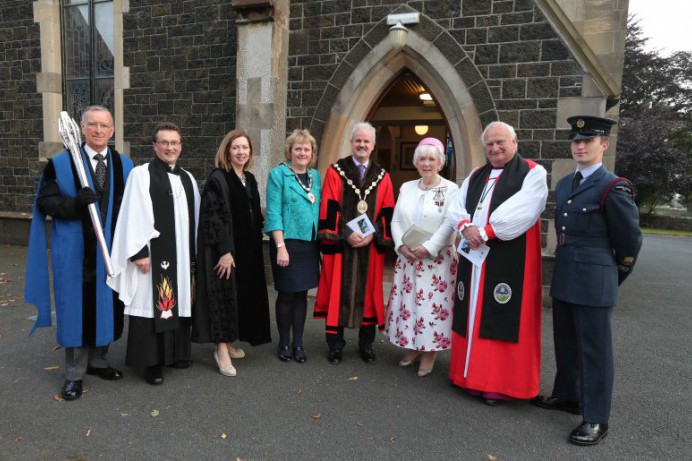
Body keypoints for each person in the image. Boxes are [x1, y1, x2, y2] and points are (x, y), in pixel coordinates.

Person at [533, 115, 642, 446]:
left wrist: (610, 277)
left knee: (595, 353)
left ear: (603, 145)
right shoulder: (567, 183)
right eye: (576, 141)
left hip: (595, 281)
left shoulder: (613, 187)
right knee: (566, 344)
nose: (580, 146)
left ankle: (596, 418)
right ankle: (568, 396)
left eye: (588, 140)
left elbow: (629, 243)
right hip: (566, 275)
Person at [25, 105, 134, 400]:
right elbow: (46, 202)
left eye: (104, 126)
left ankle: (98, 362)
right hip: (75, 250)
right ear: (82, 128)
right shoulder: (60, 164)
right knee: (76, 309)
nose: (98, 130)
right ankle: (74, 375)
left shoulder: (124, 165)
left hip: (111, 250)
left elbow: (133, 209)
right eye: (92, 124)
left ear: (112, 131)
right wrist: (74, 205)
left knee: (108, 306)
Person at [446, 121, 548, 405]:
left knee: (500, 312)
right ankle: (467, 376)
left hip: (507, 254)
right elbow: (456, 204)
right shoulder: (477, 174)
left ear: (515, 142)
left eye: (501, 142)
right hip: (474, 255)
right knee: (472, 310)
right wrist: (465, 225)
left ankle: (497, 383)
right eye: (489, 144)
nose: (494, 148)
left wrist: (487, 232)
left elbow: (526, 208)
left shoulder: (532, 172)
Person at [107, 122, 200, 385]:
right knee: (151, 306)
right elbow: (131, 214)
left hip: (180, 259)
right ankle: (151, 363)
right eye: (164, 142)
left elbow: (193, 220)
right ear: (154, 146)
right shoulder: (141, 174)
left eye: (175, 143)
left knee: (177, 302)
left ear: (180, 146)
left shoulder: (188, 179)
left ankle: (175, 355)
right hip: (152, 257)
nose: (170, 148)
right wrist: (138, 252)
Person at [192, 129, 272, 377]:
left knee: (239, 297)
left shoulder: (249, 178)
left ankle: (229, 342)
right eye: (235, 148)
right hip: (224, 250)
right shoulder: (219, 178)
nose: (240, 152)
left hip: (246, 249)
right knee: (223, 299)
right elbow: (213, 217)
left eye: (245, 148)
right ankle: (221, 351)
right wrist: (225, 251)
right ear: (227, 151)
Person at [315, 122, 395, 364]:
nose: (362, 145)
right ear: (351, 143)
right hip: (342, 246)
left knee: (369, 294)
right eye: (358, 141)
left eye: (366, 141)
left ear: (373, 146)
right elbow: (328, 206)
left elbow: (388, 211)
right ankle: (335, 345)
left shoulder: (383, 177)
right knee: (337, 291)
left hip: (370, 248)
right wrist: (346, 233)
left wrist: (374, 234)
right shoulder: (335, 171)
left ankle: (366, 344)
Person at [385, 137, 459, 377]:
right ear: (416, 162)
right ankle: (413, 347)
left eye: (431, 159)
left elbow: (450, 222)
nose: (426, 164)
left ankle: (430, 351)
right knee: (410, 305)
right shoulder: (406, 187)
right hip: (408, 258)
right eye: (422, 159)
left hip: (436, 261)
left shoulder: (451, 189)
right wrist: (400, 246)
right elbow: (396, 220)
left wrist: (428, 247)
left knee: (431, 308)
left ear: (440, 163)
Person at [264, 129, 322, 363]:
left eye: (306, 149)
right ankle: (284, 342)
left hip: (309, 244)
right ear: (290, 151)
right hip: (286, 243)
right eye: (297, 148)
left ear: (312, 152)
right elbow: (273, 212)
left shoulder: (315, 176)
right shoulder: (278, 174)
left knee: (302, 295)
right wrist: (280, 246)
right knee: (287, 295)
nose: (302, 152)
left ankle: (298, 343)